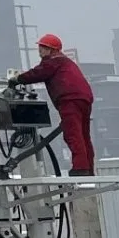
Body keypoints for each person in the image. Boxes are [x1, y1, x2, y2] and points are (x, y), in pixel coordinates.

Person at [13, 33, 96, 175]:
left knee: (73, 133)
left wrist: (17, 79)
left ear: (50, 49)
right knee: (83, 134)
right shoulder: (65, 62)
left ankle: (80, 168)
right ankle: (88, 168)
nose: (39, 51)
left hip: (69, 99)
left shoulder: (52, 61)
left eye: (42, 48)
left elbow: (37, 73)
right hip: (84, 98)